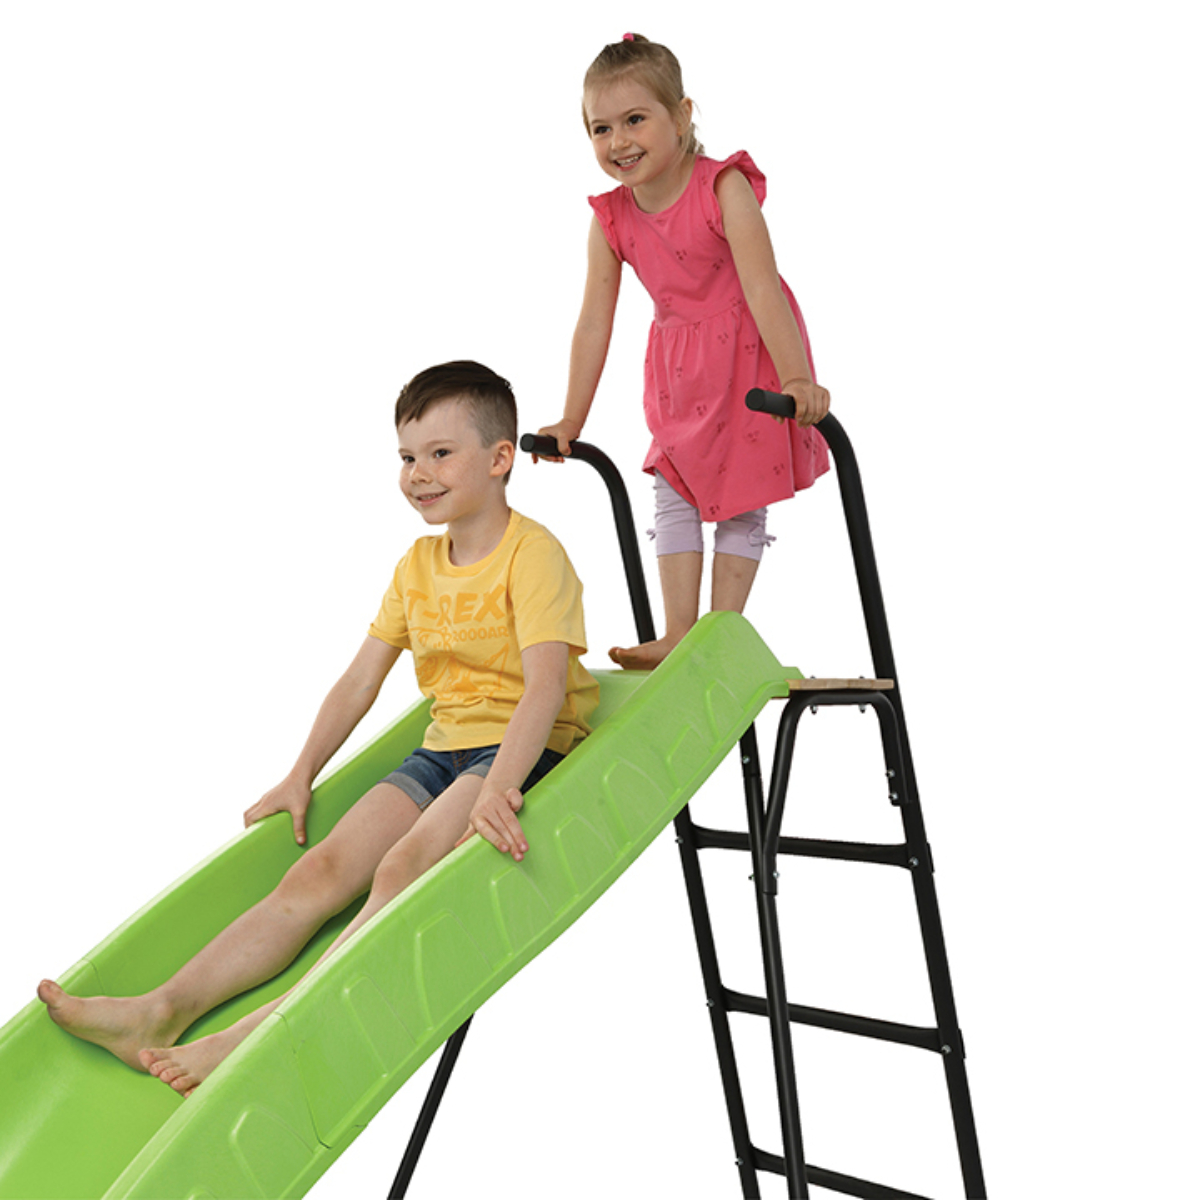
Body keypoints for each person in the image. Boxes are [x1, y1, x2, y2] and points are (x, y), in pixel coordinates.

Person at [37, 360, 598, 1097]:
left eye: (440, 454)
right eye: (407, 457)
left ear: (499, 460)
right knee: (319, 872)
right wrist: (300, 773)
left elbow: (546, 687)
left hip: (521, 747)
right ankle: (159, 1011)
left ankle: (255, 1034)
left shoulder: (534, 555)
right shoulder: (417, 565)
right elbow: (360, 680)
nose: (418, 474)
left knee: (402, 870)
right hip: (443, 748)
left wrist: (498, 787)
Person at [538, 33, 831, 670]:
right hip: (679, 368)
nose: (619, 142)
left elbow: (762, 286)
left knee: (742, 494)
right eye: (601, 128)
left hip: (748, 355)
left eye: (635, 120)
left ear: (681, 115)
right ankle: (678, 633)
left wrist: (796, 377)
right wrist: (571, 419)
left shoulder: (723, 187)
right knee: (674, 484)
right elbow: (594, 322)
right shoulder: (611, 219)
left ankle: (720, 632)